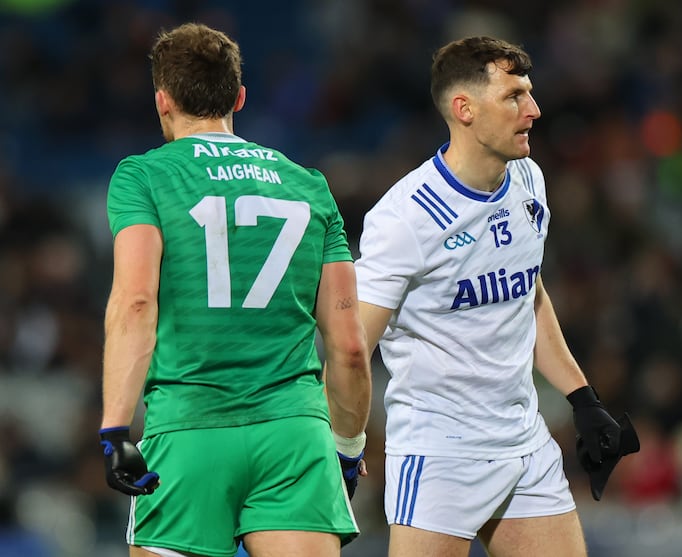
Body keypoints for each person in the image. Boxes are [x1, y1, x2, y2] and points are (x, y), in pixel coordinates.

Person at [354, 36, 638, 557]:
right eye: (514, 96)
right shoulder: (405, 218)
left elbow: (527, 291)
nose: (534, 109)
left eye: (529, 93)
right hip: (440, 455)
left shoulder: (530, 179)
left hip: (524, 445)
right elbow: (352, 346)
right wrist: (341, 443)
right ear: (464, 109)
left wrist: (583, 399)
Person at [98, 23, 371, 557]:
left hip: (188, 429)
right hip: (296, 435)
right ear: (239, 97)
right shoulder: (309, 184)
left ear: (162, 100)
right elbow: (350, 346)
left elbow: (135, 302)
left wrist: (115, 429)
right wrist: (345, 446)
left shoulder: (143, 177)